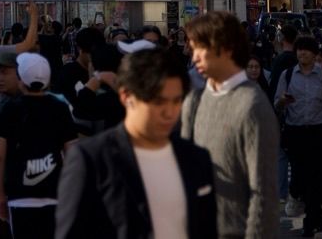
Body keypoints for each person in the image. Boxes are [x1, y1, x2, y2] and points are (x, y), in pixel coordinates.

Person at [55, 46, 217, 239]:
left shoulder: (196, 158)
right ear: (126, 97)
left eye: (176, 101)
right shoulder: (91, 160)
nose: (169, 112)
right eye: (158, 101)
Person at [180, 11, 277, 239]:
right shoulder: (195, 99)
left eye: (200, 50)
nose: (194, 58)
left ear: (225, 49)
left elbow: (263, 194)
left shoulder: (252, 105)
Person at [0, 51, 78, 239]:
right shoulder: (60, 107)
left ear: (21, 80)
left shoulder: (8, 109)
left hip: (19, 194)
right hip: (55, 192)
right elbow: (72, 153)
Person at [272, 35, 322, 237]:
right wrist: (283, 101)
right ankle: (315, 217)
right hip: (295, 131)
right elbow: (277, 105)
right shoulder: (288, 75)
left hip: (318, 130)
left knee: (317, 177)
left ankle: (311, 221)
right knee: (300, 177)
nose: (302, 53)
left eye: (306, 50)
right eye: (299, 50)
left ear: (315, 54)